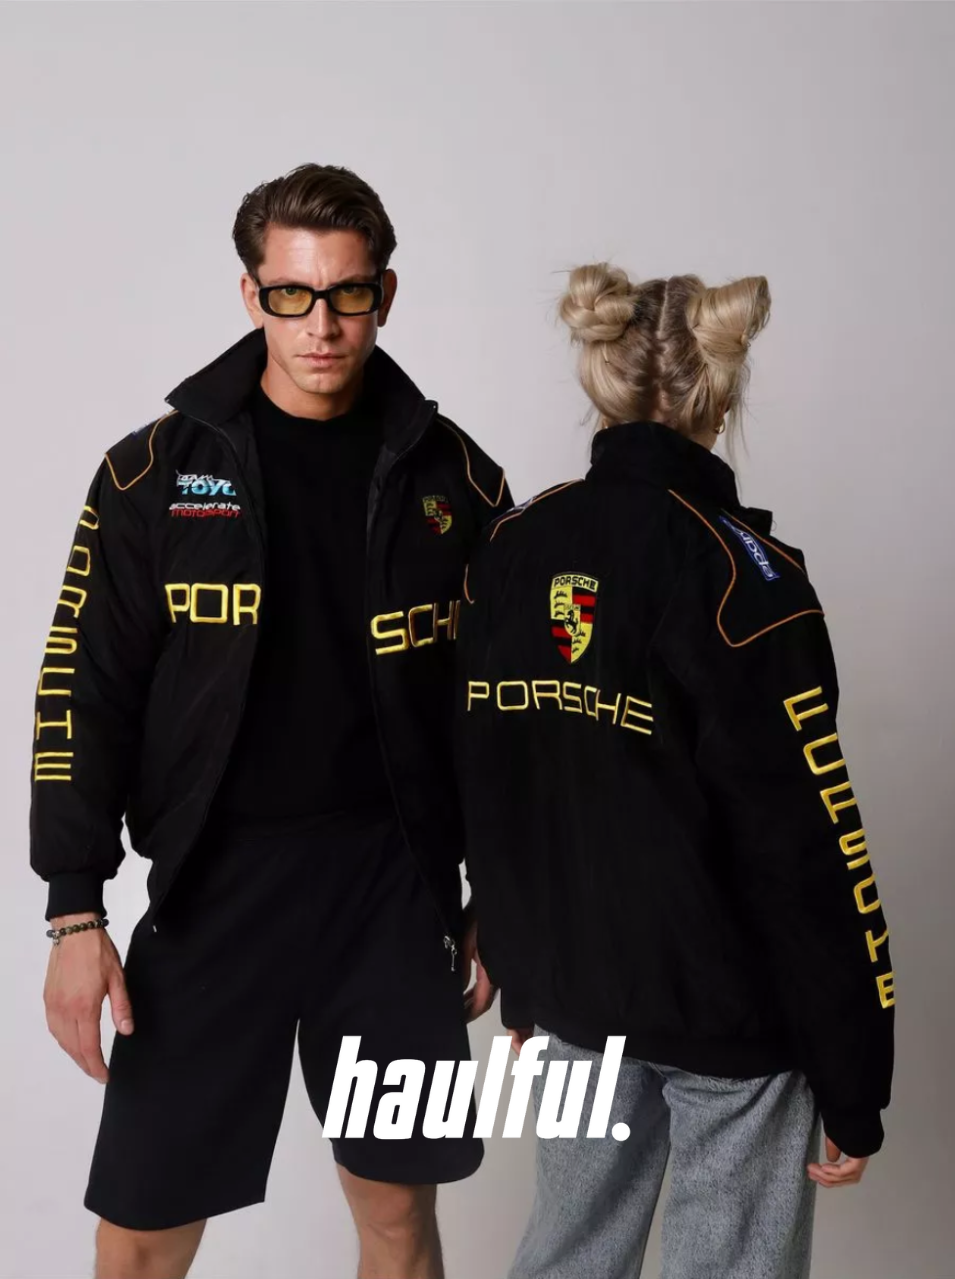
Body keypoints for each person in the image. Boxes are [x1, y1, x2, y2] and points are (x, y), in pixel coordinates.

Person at [31, 163, 509, 1279]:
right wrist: (73, 910)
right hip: (215, 888)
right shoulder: (152, 475)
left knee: (397, 1219)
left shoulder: (458, 479)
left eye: (347, 294)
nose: (321, 326)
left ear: (385, 295)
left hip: (391, 892)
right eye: (292, 294)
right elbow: (82, 691)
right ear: (251, 295)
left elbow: (505, 713)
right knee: (141, 1236)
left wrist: (502, 897)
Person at [456, 265, 894, 1279]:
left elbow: (489, 779)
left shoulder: (511, 548)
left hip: (573, 995)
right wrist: (853, 1076)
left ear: (603, 383)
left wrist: (524, 977)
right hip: (728, 1017)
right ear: (718, 396)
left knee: (565, 1259)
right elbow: (810, 852)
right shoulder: (746, 577)